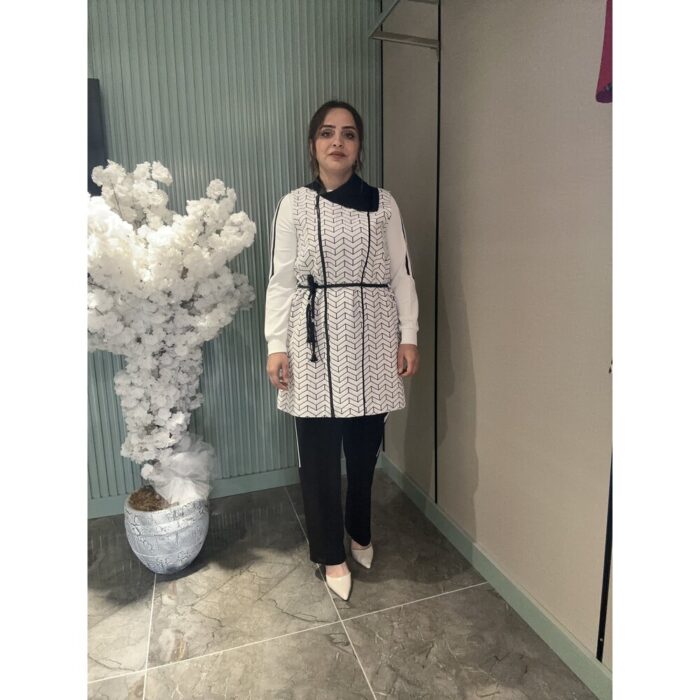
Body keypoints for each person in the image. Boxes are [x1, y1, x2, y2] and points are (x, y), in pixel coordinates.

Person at [264, 100, 419, 601]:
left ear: (358, 146)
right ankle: (331, 553)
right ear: (313, 145)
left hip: (374, 338)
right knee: (318, 457)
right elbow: (282, 280)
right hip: (312, 342)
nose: (338, 142)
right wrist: (276, 345)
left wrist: (409, 334)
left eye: (348, 134)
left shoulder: (383, 203)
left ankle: (360, 531)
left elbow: (402, 273)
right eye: (327, 133)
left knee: (364, 450)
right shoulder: (294, 205)